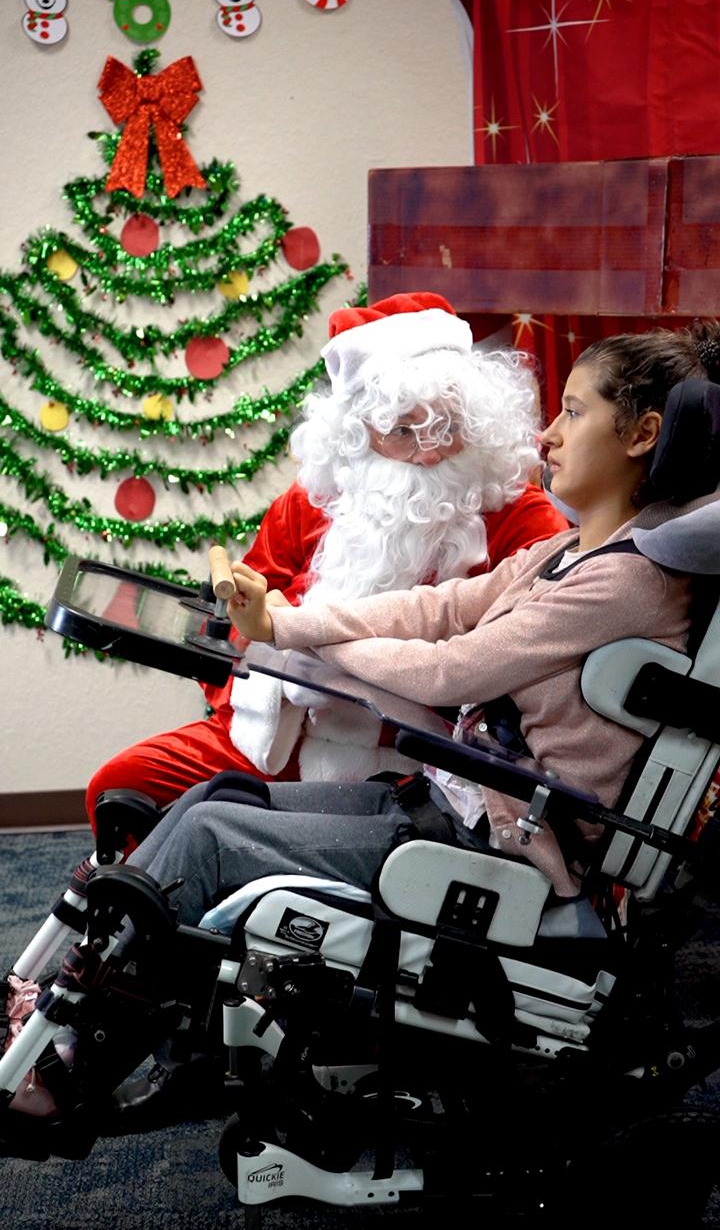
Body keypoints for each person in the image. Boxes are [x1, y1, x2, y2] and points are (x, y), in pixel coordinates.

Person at [125, 319, 720, 920]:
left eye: (572, 413)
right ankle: (63, 985)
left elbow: (451, 671)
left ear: (643, 435)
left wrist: (297, 634)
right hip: (464, 798)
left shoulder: (624, 581)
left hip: (510, 840)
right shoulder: (563, 553)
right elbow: (441, 609)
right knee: (215, 797)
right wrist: (287, 626)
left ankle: (75, 990)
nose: (546, 435)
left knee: (210, 834)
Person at [85, 292, 566, 828]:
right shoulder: (310, 502)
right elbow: (237, 627)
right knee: (119, 788)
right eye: (403, 431)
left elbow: (523, 653)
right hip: (275, 736)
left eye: (446, 428)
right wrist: (247, 628)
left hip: (415, 765)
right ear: (359, 433)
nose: (428, 454)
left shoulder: (520, 516)